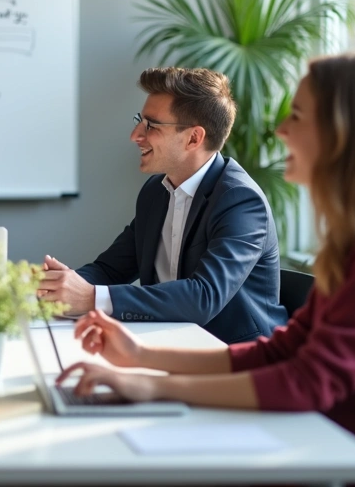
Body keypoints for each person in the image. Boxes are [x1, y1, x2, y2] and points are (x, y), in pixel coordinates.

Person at [59, 53, 355, 486]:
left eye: (298, 116)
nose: (281, 129)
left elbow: (306, 382)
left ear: (344, 134)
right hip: (331, 442)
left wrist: (152, 385)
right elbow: (280, 352)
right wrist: (140, 357)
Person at [38, 67, 286, 343]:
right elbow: (110, 270)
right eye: (140, 121)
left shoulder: (240, 200)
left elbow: (203, 297)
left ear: (194, 138)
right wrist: (58, 286)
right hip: (169, 342)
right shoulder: (155, 192)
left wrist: (91, 297)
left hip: (233, 356)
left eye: (151, 125)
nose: (135, 135)